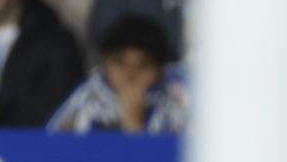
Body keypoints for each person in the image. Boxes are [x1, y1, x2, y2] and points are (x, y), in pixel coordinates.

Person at [48, 14, 187, 133]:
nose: (129, 75)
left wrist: (135, 127)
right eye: (119, 63)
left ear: (160, 69)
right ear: (104, 63)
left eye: (142, 66)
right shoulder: (87, 100)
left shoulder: (179, 100)